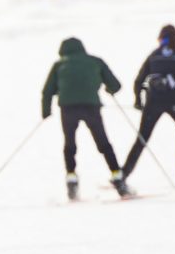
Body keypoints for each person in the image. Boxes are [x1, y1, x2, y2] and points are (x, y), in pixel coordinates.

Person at [122, 24, 175, 187]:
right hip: (174, 101)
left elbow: (139, 80)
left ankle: (123, 174)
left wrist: (138, 100)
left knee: (142, 138)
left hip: (153, 102)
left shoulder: (154, 55)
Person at [38, 38, 124, 200]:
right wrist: (109, 89)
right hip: (91, 106)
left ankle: (71, 178)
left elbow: (47, 91)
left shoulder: (59, 65)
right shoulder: (95, 61)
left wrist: (46, 111)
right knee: (103, 142)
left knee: (70, 144)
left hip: (68, 109)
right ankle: (118, 177)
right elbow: (116, 85)